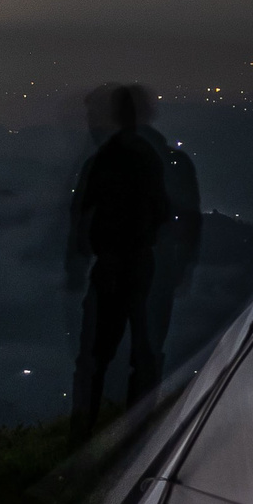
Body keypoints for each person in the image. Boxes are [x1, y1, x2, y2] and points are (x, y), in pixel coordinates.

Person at [66, 82, 172, 442]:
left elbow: (84, 211)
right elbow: (162, 213)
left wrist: (85, 254)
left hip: (113, 266)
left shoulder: (107, 158)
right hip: (139, 265)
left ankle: (86, 430)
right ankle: (136, 432)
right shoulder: (148, 156)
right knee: (139, 352)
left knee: (98, 352)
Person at [124, 82, 202, 384]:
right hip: (157, 271)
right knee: (147, 349)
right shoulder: (174, 163)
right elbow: (190, 222)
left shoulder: (108, 163)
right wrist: (182, 268)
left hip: (137, 272)